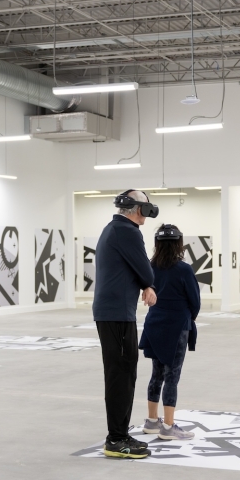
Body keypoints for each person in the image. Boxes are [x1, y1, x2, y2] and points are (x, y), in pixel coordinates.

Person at [93, 190, 158, 459]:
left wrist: (146, 285)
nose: (147, 213)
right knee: (121, 373)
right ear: (135, 209)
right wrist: (148, 283)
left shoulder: (114, 228)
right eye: (145, 207)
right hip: (117, 313)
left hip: (116, 311)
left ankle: (119, 432)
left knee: (123, 371)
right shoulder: (128, 232)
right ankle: (116, 439)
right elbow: (145, 269)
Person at [140, 225, 200, 441]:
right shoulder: (183, 269)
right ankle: (169, 426)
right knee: (172, 376)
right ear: (179, 243)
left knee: (156, 374)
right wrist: (187, 316)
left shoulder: (149, 267)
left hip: (154, 323)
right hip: (177, 326)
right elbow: (195, 302)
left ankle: (152, 421)